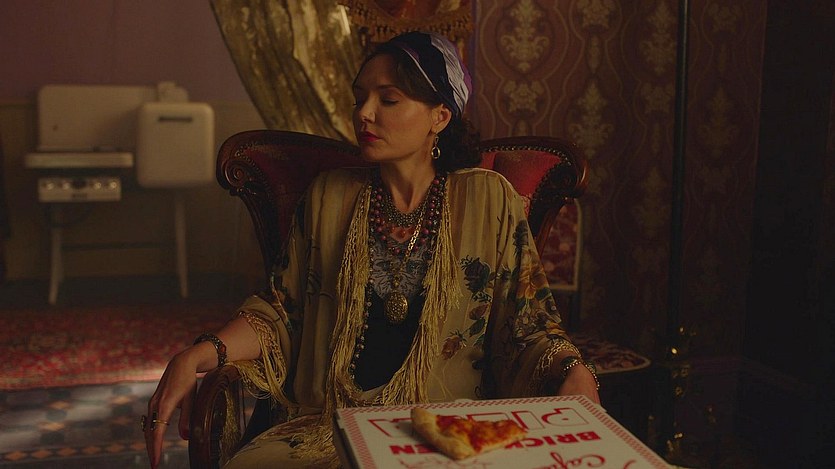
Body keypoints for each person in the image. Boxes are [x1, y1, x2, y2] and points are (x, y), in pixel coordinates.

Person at [143, 31, 600, 468]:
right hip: (327, 428)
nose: (364, 113)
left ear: (440, 116)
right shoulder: (329, 196)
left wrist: (575, 370)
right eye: (359, 97)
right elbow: (282, 313)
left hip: (440, 432)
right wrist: (199, 353)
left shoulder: (488, 199)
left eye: (389, 99)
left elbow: (528, 324)